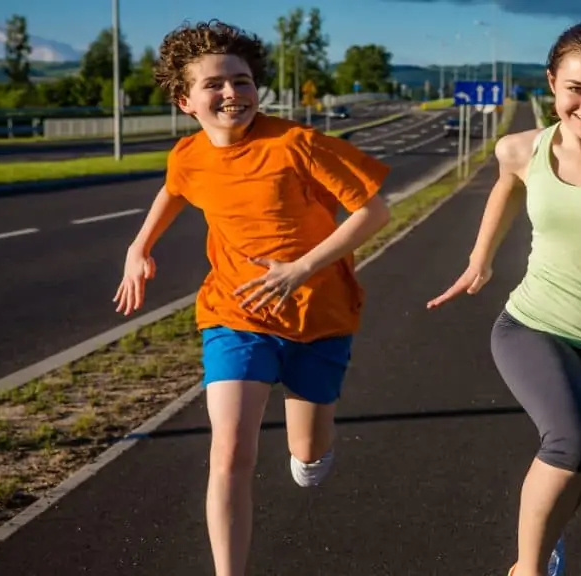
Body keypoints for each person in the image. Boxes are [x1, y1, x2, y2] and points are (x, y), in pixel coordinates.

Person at [112, 20, 391, 576]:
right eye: (214, 84)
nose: (231, 94)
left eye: (241, 81)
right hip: (234, 314)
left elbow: (375, 210)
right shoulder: (188, 155)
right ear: (185, 99)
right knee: (230, 455)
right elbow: (174, 188)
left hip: (320, 316)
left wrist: (303, 267)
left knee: (308, 456)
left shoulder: (297, 144)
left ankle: (311, 450)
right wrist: (139, 246)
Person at [427, 19, 581, 576]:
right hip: (535, 323)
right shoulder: (520, 147)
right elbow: (508, 185)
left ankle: (546, 544)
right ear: (552, 83)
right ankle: (529, 569)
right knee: (571, 441)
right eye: (576, 88)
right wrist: (479, 259)